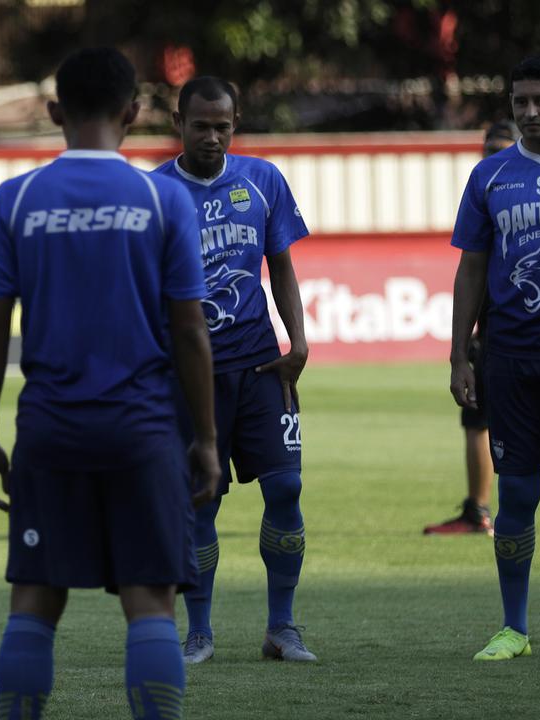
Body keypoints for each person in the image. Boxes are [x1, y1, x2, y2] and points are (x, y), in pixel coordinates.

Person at [0, 48, 219, 720]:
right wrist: (206, 438)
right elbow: (191, 331)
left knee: (36, 600)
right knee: (150, 604)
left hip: (50, 431)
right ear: (133, 113)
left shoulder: (16, 197)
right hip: (143, 431)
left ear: (54, 112)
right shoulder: (162, 197)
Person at [152, 76, 315, 665]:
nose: (213, 137)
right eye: (202, 126)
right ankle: (199, 632)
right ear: (179, 124)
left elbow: (283, 266)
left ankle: (282, 627)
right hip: (192, 379)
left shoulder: (263, 180)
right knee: (202, 500)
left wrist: (299, 340)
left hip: (263, 366)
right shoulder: (154, 193)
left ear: (235, 123)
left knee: (288, 487)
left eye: (224, 126)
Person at [450, 55, 540, 662]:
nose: (530, 112)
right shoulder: (489, 177)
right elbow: (469, 267)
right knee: (518, 493)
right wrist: (457, 355)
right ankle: (514, 627)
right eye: (521, 102)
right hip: (510, 358)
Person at [425, 120, 520, 536]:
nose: (492, 157)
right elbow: (469, 269)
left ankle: (478, 511)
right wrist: (461, 347)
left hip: (515, 333)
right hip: (493, 332)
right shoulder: (487, 189)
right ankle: (476, 509)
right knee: (483, 421)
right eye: (487, 149)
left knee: (484, 424)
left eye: (500, 148)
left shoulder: (507, 193)